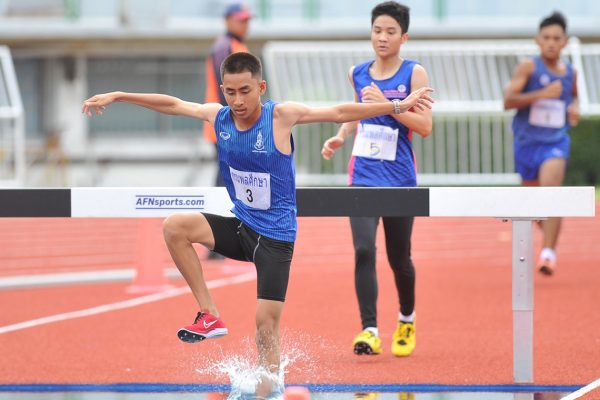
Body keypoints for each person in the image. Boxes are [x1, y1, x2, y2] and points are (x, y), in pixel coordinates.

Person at [82, 52, 433, 397]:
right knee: (175, 226)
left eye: (245, 91)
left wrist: (396, 106)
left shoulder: (280, 116)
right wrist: (120, 95)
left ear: (261, 87)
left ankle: (269, 391)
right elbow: (173, 104)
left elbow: (339, 112)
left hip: (276, 238)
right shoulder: (219, 117)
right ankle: (209, 314)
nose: (237, 101)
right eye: (230, 92)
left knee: (265, 327)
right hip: (242, 227)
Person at [321, 1, 432, 358]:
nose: (382, 37)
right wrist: (341, 135)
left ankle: (406, 318)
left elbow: (425, 126)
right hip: (363, 174)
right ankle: (369, 329)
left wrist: (388, 104)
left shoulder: (414, 74)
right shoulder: (358, 73)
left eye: (390, 32)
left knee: (400, 258)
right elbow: (357, 112)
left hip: (399, 178)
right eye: (377, 30)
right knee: (363, 249)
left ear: (404, 37)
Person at [504, 11, 579, 276]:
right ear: (538, 40)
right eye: (546, 37)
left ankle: (548, 253)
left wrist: (574, 110)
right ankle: (547, 230)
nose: (551, 43)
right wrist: (541, 94)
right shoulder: (528, 68)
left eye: (556, 38)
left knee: (551, 192)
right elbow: (508, 101)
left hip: (555, 142)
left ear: (565, 42)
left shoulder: (571, 73)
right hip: (527, 144)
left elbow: (573, 98)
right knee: (536, 205)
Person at [204, 2, 252, 188]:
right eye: (241, 20)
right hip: (226, 120)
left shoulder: (235, 45)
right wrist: (233, 121)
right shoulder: (224, 47)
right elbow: (225, 87)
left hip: (233, 118)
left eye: (247, 20)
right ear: (227, 20)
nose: (245, 25)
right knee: (227, 170)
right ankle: (218, 205)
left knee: (232, 169)